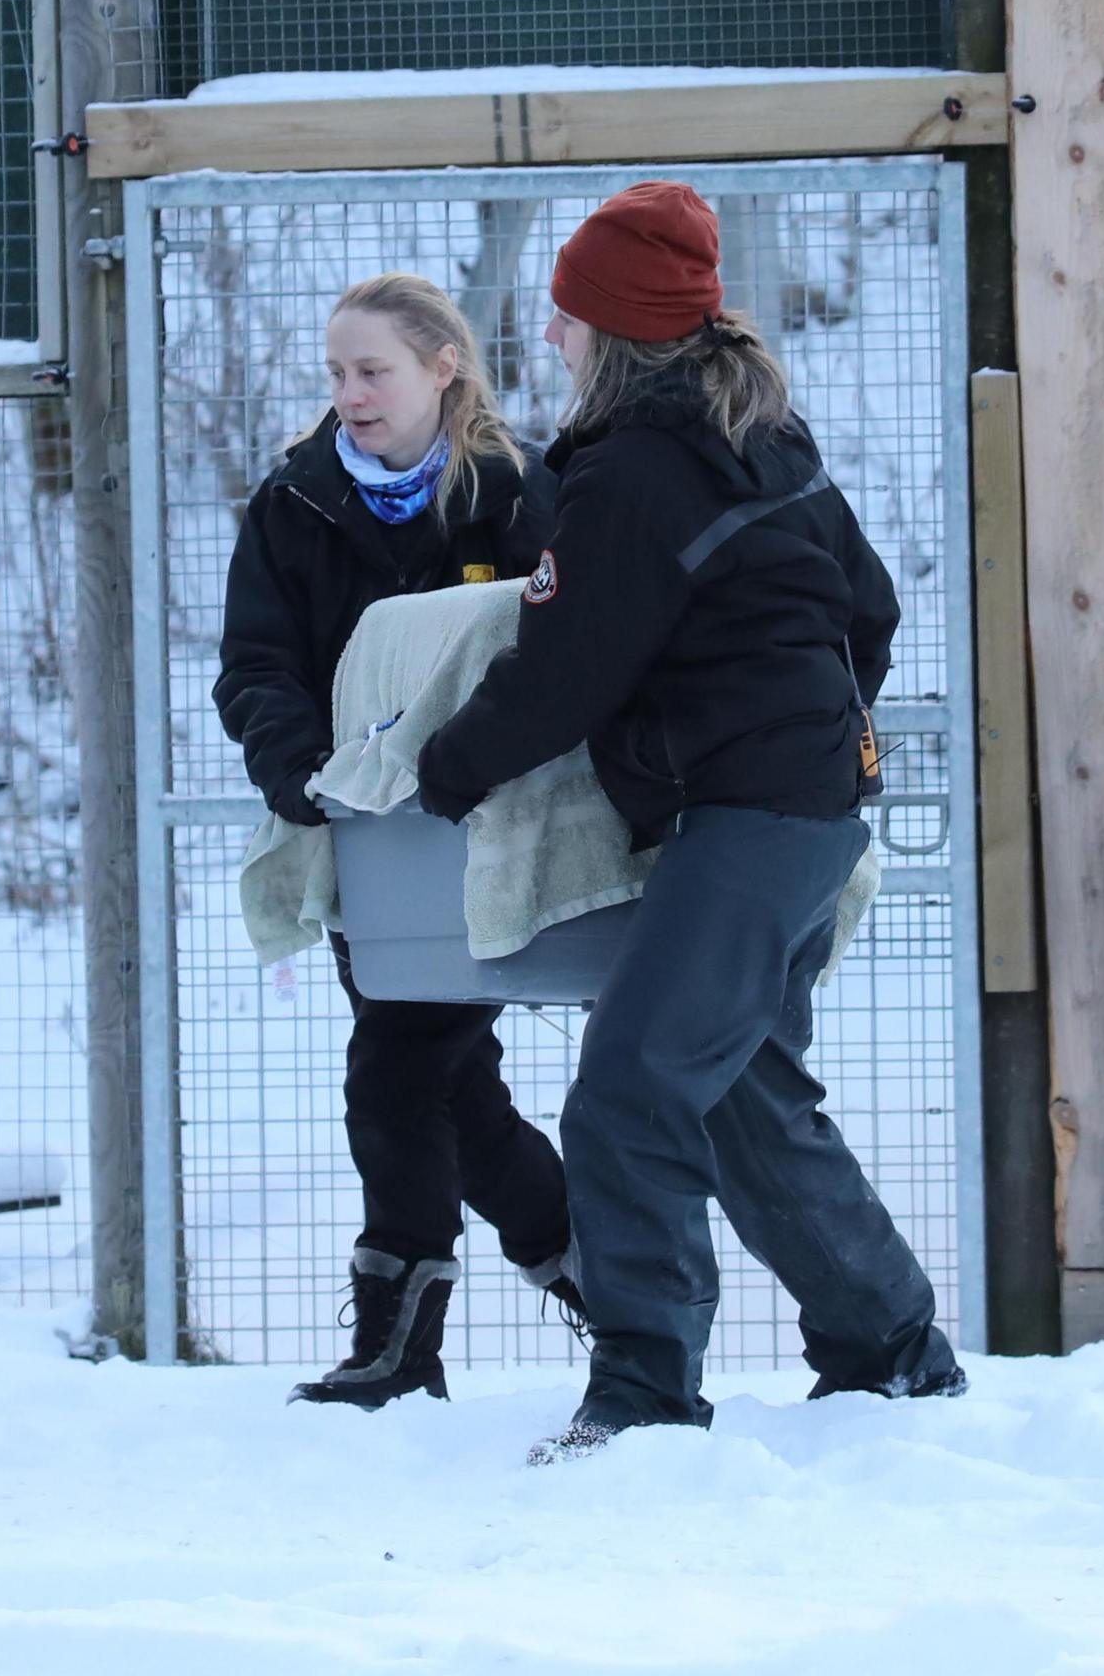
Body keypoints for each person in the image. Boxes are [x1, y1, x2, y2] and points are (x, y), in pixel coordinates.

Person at [413, 180, 956, 1460]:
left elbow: (563, 670)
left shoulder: (631, 480)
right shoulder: (763, 435)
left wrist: (444, 771)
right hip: (806, 806)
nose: (549, 338)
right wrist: (806, 727)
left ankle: (647, 1399)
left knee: (628, 1095)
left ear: (612, 331)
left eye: (565, 318)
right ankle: (893, 1352)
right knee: (745, 1096)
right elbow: (866, 608)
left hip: (761, 818)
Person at [213, 272, 577, 1409]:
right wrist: (298, 768)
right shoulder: (294, 503)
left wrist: (476, 757)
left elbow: (567, 642)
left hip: (485, 826)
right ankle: (600, 1276)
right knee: (451, 1088)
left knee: (396, 1070)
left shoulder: (514, 494)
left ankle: (396, 1346)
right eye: (336, 373)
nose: (351, 394)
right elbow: (256, 667)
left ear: (441, 368)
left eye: (373, 370)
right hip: (361, 837)